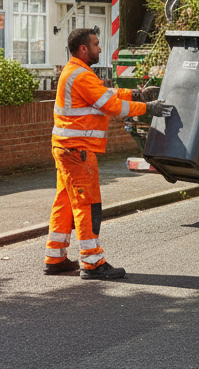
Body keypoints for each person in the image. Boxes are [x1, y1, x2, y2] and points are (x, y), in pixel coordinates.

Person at [46, 28, 173, 280]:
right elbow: (111, 105)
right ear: (83, 48)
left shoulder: (76, 72)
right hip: (77, 151)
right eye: (96, 44)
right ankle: (92, 262)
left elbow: (105, 94)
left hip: (67, 148)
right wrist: (147, 107)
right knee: (87, 204)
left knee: (66, 202)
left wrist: (135, 93)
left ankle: (55, 257)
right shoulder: (80, 75)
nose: (100, 48)